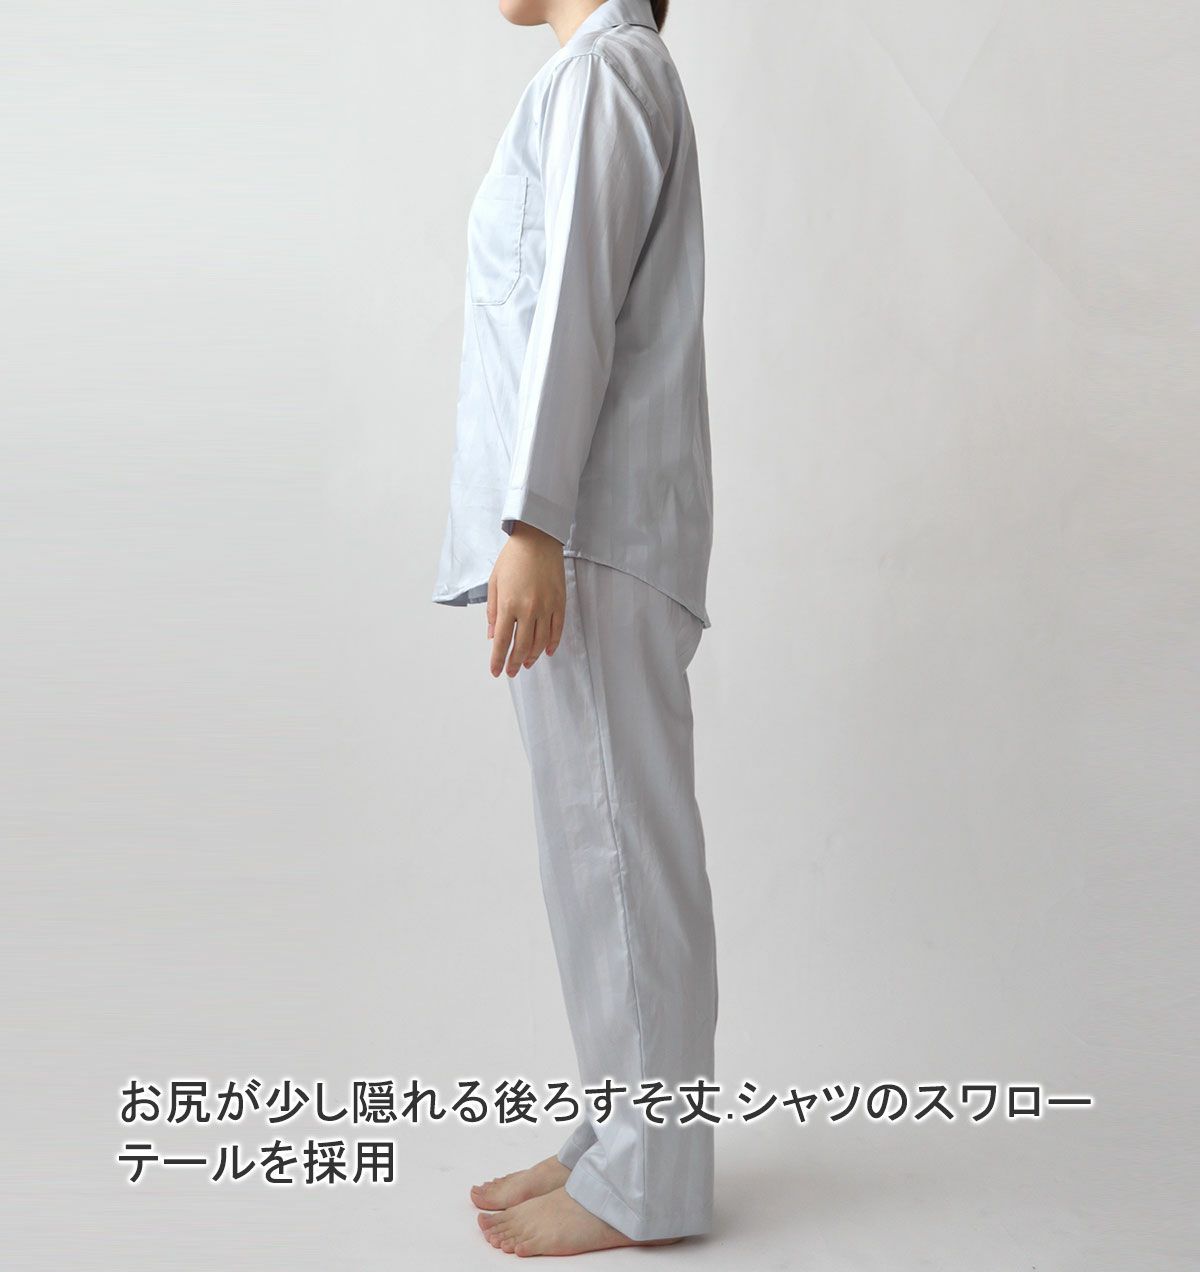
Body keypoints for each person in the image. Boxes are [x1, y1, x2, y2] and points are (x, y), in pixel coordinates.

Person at [432, 0, 717, 1255]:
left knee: (618, 860)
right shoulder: (596, 79)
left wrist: (534, 521)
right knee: (599, 863)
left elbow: (573, 305)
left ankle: (649, 1181)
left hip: (585, 532)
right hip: (583, 532)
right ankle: (619, 1142)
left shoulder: (605, 73)